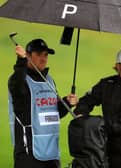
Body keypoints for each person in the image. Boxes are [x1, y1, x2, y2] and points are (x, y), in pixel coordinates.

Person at [8, 38, 78, 168]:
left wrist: (67, 103)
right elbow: (18, 90)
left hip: (51, 154)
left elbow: (52, 114)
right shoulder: (19, 80)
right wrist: (20, 61)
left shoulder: (49, 80)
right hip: (28, 155)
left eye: (45, 55)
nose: (43, 59)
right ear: (28, 56)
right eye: (39, 54)